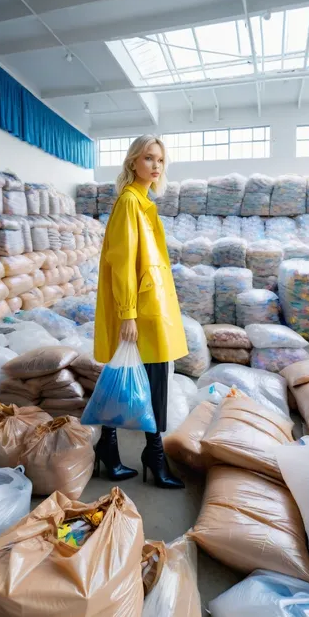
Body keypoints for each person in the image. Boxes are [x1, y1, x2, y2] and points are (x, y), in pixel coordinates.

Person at [94, 135, 188, 489]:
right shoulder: (129, 204)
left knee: (136, 377)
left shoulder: (144, 203)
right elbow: (121, 264)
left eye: (160, 160)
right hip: (141, 311)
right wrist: (128, 313)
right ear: (134, 161)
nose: (155, 166)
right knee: (148, 380)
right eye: (149, 158)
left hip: (153, 306)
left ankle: (110, 446)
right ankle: (154, 454)